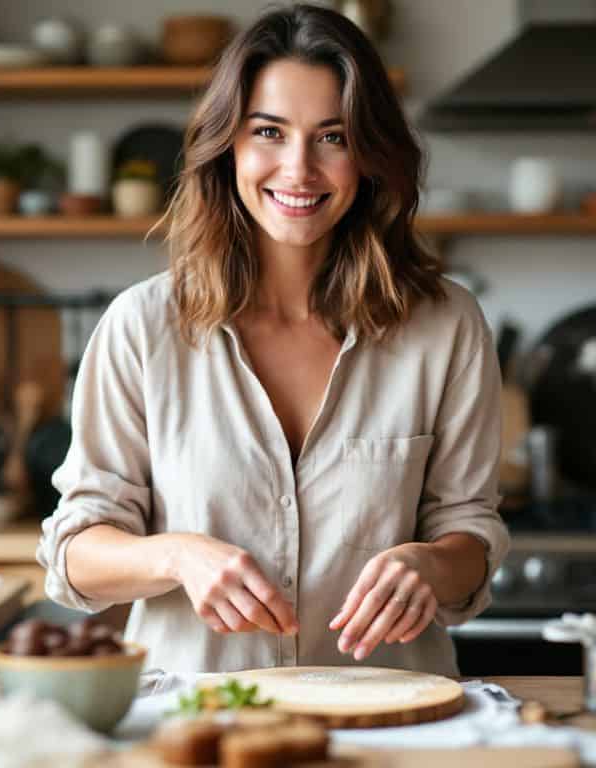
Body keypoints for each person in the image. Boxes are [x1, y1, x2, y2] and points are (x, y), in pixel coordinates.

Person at [36, 3, 509, 676]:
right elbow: (73, 553)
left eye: (333, 138)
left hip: (393, 722)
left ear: (370, 157)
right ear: (227, 143)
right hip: (200, 723)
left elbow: (472, 533)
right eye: (269, 132)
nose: (299, 170)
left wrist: (431, 563)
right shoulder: (140, 328)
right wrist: (177, 555)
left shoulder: (446, 326)